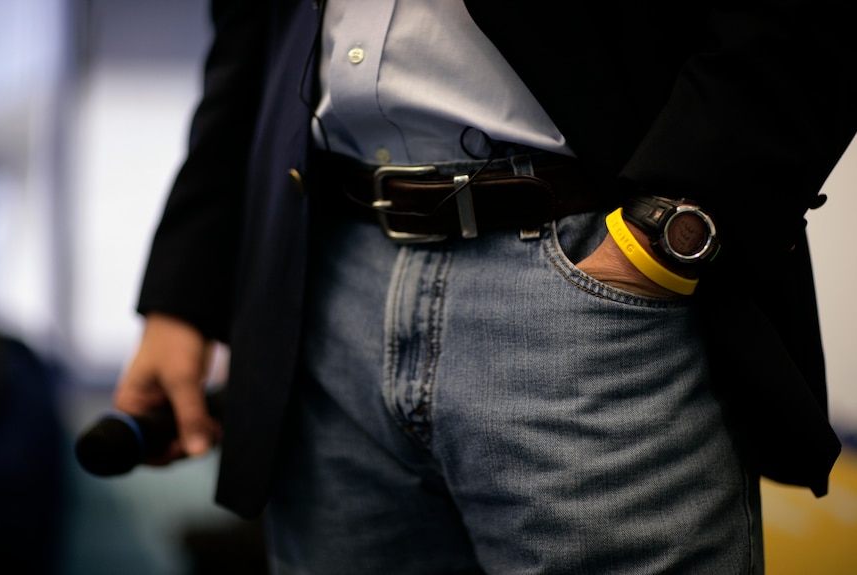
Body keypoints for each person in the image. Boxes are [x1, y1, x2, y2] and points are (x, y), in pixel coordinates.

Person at [112, 1, 857, 573]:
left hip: (585, 283)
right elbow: (252, 29)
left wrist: (667, 234)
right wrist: (185, 293)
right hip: (327, 278)